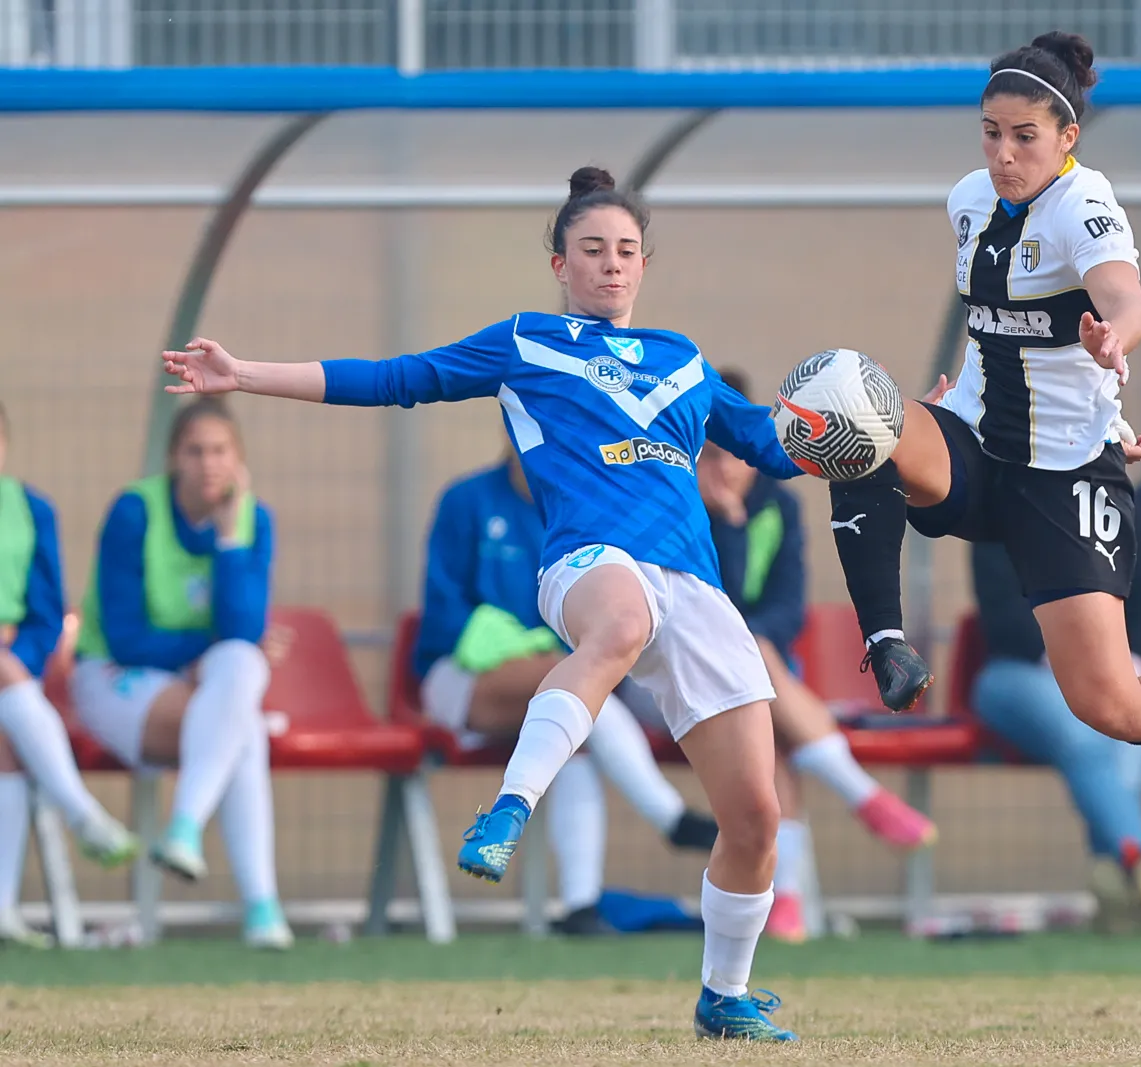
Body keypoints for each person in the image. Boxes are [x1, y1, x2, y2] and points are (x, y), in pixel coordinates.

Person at [162, 167, 801, 1040]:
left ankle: (723, 995)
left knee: (755, 817)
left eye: (626, 250)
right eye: (592, 250)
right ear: (560, 264)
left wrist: (901, 426)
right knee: (619, 622)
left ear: (644, 264)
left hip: (692, 586)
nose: (612, 264)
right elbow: (396, 377)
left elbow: (774, 443)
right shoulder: (526, 342)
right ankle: (511, 804)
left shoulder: (682, 359)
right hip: (590, 561)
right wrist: (244, 374)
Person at [819, 31, 1141, 858]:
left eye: (1025, 136)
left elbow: (1125, 299)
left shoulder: (1084, 203)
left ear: (1067, 137)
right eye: (991, 133)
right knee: (854, 418)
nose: (1004, 154)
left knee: (1106, 702)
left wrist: (1113, 341)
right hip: (979, 443)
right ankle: (886, 644)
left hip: (1064, 472)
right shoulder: (969, 201)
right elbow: (994, 327)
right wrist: (952, 398)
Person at [416, 450, 720, 934]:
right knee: (577, 687)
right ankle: (671, 818)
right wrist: (511, 647)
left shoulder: (580, 505)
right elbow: (443, 614)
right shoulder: (467, 500)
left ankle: (580, 906)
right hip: (460, 676)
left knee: (576, 722)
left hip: (559, 677)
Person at [697, 369, 937, 942]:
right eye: (712, 455)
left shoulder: (778, 507)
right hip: (693, 674)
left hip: (762, 673)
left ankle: (785, 902)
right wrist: (728, 525)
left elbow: (788, 608)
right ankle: (861, 797)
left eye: (734, 453)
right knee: (753, 670)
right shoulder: (684, 509)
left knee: (764, 708)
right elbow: (704, 608)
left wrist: (753, 642)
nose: (726, 467)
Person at [71, 399, 292, 949]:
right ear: (174, 457)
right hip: (115, 675)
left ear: (238, 459)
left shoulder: (253, 519)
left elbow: (242, 633)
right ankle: (261, 907)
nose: (208, 464)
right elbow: (127, 638)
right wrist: (201, 656)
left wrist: (229, 538)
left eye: (220, 451)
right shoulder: (134, 512)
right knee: (241, 721)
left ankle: (187, 829)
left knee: (243, 667)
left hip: (201, 680)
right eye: (195, 451)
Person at [968, 488, 1141, 933]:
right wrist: (1077, 661)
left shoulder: (1122, 504)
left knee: (1132, 730)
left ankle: (1115, 885)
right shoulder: (1001, 505)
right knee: (1083, 737)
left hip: (1119, 671)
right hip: (1019, 673)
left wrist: (1131, 663)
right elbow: (1003, 613)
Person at [0, 402, 138, 948]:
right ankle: (82, 814)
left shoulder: (32, 510)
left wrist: (16, 658)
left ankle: (2, 905)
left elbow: (45, 614)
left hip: (11, 670)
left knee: (7, 738)